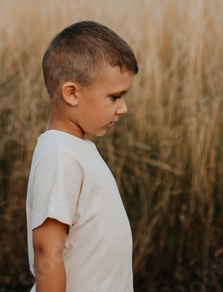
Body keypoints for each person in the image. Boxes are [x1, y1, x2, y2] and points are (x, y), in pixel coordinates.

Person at [25, 20, 139, 292]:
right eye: (115, 97)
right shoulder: (59, 156)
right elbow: (47, 252)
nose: (123, 108)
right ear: (72, 93)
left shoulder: (76, 149)